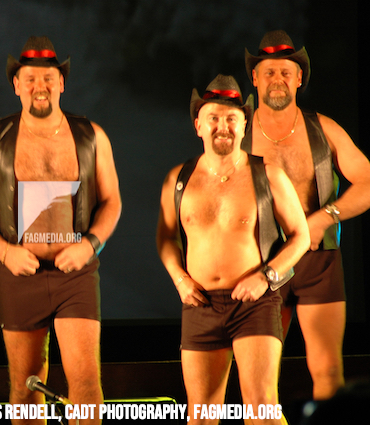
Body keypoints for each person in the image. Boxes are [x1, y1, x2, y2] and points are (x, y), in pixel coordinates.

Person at [0, 36, 121, 424]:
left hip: (76, 276)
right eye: (31, 78)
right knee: (26, 387)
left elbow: (112, 201)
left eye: (48, 78)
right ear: (16, 85)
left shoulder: (91, 136)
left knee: (86, 384)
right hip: (20, 276)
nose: (40, 86)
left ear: (62, 83)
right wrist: (4, 252)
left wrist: (90, 245)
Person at [156, 74, 310, 425]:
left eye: (231, 118)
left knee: (262, 409)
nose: (222, 126)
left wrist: (266, 276)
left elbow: (300, 236)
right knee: (201, 416)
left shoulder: (267, 174)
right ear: (198, 125)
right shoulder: (178, 179)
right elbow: (166, 238)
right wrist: (179, 279)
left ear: (244, 125)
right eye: (213, 117)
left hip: (255, 304)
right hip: (200, 306)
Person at [243, 30, 370, 400]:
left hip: (319, 263)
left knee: (328, 371)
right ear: (254, 78)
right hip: (263, 262)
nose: (277, 79)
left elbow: (367, 182)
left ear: (299, 78)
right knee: (259, 380)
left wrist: (324, 217)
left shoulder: (322, 128)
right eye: (269, 72)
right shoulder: (239, 134)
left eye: (286, 72)